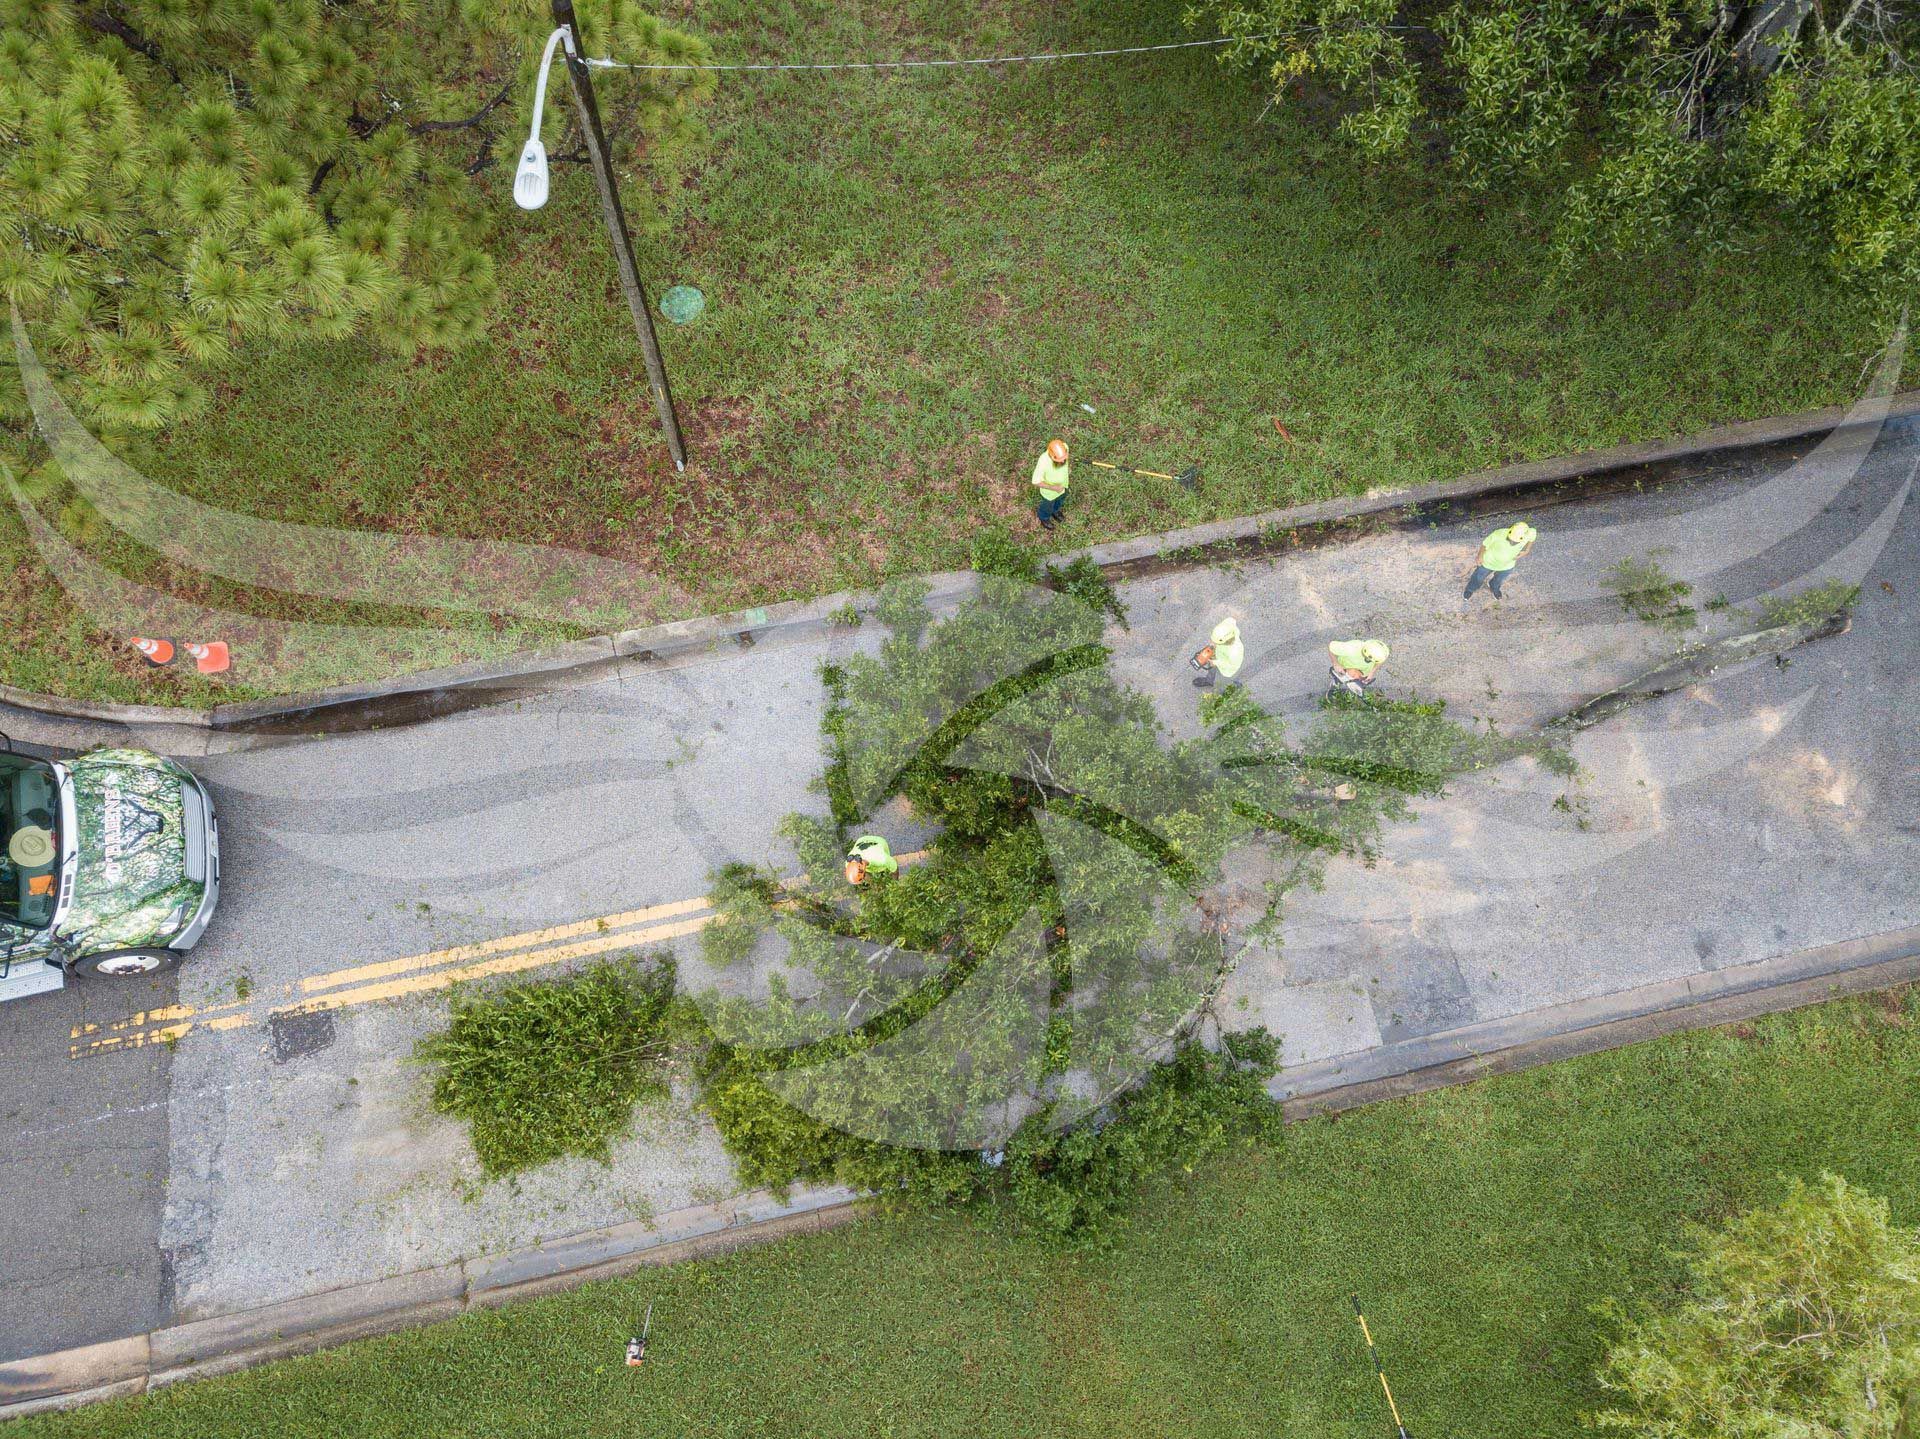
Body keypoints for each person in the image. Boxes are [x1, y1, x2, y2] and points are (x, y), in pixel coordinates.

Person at [1464, 521, 1537, 601]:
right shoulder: (1498, 533)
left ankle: (1494, 587)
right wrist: (1480, 556)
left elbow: (1532, 537)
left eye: (1515, 542)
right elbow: (1485, 544)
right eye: (1510, 539)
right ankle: (1470, 589)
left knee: (1499, 579)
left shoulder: (1530, 532)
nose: (1511, 542)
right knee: (1478, 577)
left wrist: (1527, 550)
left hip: (1507, 565)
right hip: (1488, 562)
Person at [1192, 617, 1244, 689]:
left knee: (1220, 684)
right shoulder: (1228, 626)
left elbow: (1230, 665)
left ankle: (1230, 687)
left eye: (1215, 643)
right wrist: (1213, 651)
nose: (1212, 643)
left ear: (1226, 641)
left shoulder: (1235, 651)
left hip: (1225, 670)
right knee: (1212, 670)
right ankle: (1209, 681)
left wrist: (1215, 662)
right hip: (1217, 657)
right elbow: (1231, 619)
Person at [1031, 439, 1070, 530]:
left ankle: (1055, 511)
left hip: (1064, 485)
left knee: (1060, 499)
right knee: (1047, 506)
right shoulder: (1043, 462)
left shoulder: (1065, 448)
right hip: (1050, 493)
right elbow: (1035, 481)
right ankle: (1044, 518)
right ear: (1052, 456)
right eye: (1059, 460)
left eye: (1064, 459)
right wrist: (1053, 488)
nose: (1062, 462)